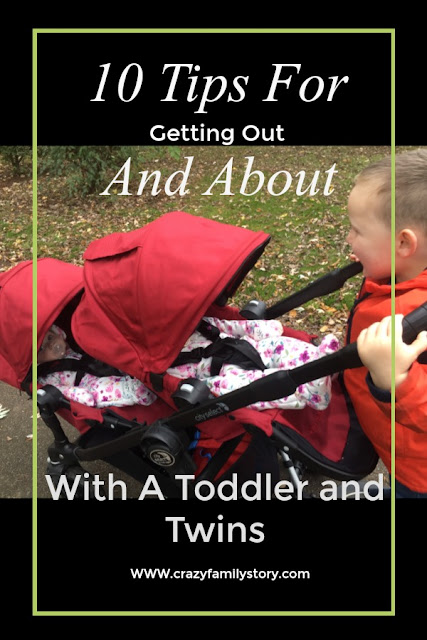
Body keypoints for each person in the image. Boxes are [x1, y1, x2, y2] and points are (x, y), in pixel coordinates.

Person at [344, 148, 427, 498]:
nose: (349, 239)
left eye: (357, 230)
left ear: (403, 242)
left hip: (417, 474)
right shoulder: (399, 277)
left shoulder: (416, 322)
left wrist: (396, 381)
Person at [37, 319, 340, 412]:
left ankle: (318, 362)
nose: (53, 343)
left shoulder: (86, 329)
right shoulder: (63, 380)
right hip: (187, 377)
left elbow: (208, 321)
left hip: (201, 344)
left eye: (51, 334)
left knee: (272, 346)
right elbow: (93, 395)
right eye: (44, 346)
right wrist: (62, 395)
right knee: (240, 387)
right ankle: (309, 390)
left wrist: (247, 327)